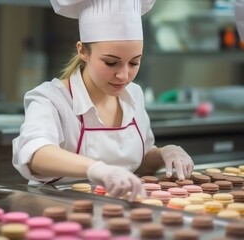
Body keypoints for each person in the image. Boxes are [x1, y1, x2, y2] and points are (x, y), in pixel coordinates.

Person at [12, 0, 194, 201]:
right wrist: (96, 169)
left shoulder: (134, 95)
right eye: (111, 62)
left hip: (120, 216)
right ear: (82, 51)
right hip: (61, 213)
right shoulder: (51, 99)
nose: (124, 75)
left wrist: (163, 153)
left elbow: (137, 162)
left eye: (134, 62)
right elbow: (35, 153)